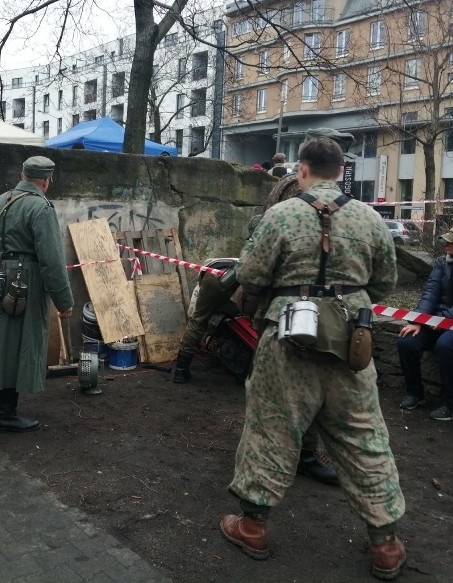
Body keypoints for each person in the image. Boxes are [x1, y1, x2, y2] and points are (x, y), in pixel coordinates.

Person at [221, 137, 406, 580]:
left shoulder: (280, 215)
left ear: (301, 170)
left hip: (288, 339)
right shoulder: (370, 219)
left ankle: (252, 526)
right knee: (363, 433)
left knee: (271, 427)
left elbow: (249, 274)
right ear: (341, 170)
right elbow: (385, 285)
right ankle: (385, 544)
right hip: (351, 342)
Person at [173, 173, 338, 485]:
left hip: (267, 304)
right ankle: (181, 369)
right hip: (218, 282)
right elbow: (239, 280)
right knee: (198, 322)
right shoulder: (265, 236)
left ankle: (299, 456)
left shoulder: (280, 232)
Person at [0, 156, 73, 432]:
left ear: (22, 174)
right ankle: (5, 412)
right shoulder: (41, 207)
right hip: (25, 282)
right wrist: (64, 300)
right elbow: (51, 259)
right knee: (16, 344)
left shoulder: (0, 200)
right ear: (46, 181)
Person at [395, 224, 453, 420]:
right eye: (446, 240)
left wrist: (446, 320)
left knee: (445, 346)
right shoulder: (441, 263)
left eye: (452, 242)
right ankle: (414, 393)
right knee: (406, 342)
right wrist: (417, 320)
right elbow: (430, 292)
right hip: (435, 320)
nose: (446, 245)